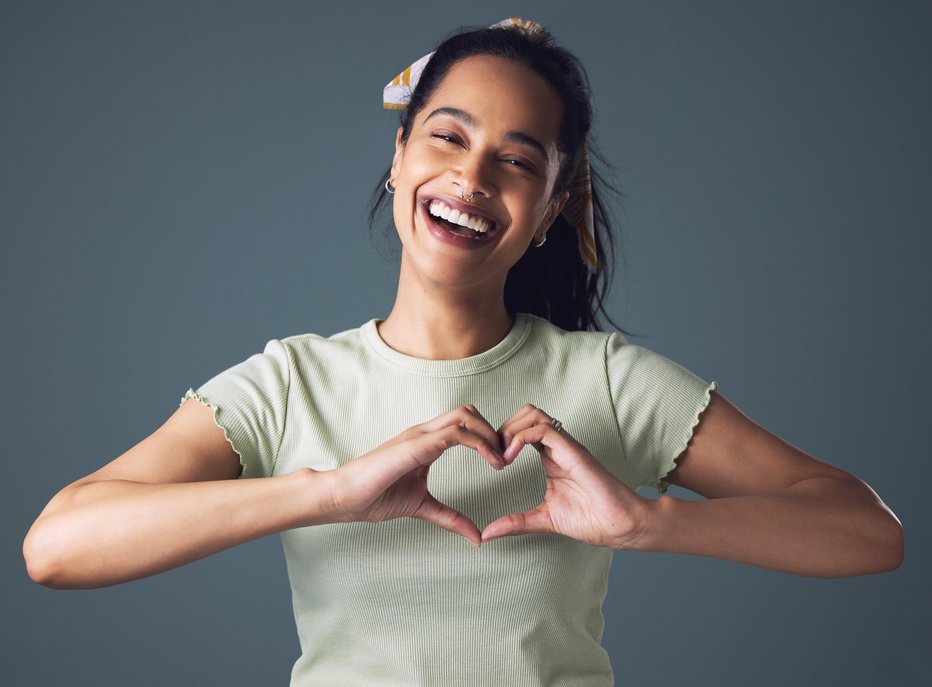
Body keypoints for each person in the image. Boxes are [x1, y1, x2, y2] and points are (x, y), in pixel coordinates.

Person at [23, 17, 903, 686]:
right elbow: (56, 547)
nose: (473, 179)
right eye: (447, 136)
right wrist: (327, 492)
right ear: (400, 153)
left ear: (553, 204)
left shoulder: (604, 381)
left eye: (517, 161)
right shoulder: (291, 383)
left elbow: (869, 531)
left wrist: (649, 522)